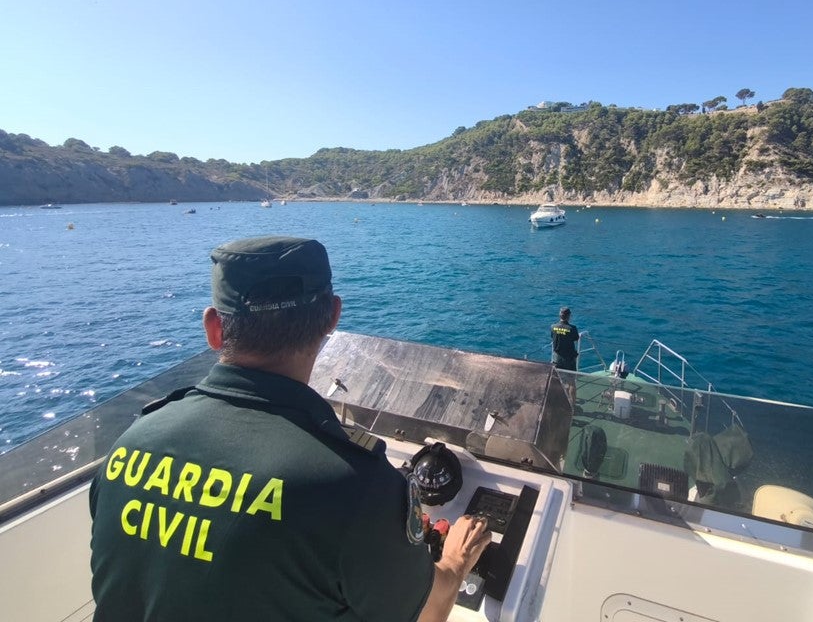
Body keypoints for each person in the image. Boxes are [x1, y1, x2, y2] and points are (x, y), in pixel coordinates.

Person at [89, 235, 491, 622]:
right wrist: (454, 561)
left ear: (213, 329)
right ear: (332, 317)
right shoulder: (356, 486)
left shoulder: (129, 446)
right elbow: (427, 613)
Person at [550, 306, 580, 371]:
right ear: (568, 316)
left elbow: (552, 336)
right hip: (569, 358)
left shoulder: (553, 327)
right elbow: (576, 338)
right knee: (571, 375)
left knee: (557, 375)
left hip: (557, 358)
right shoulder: (572, 328)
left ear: (559, 315)